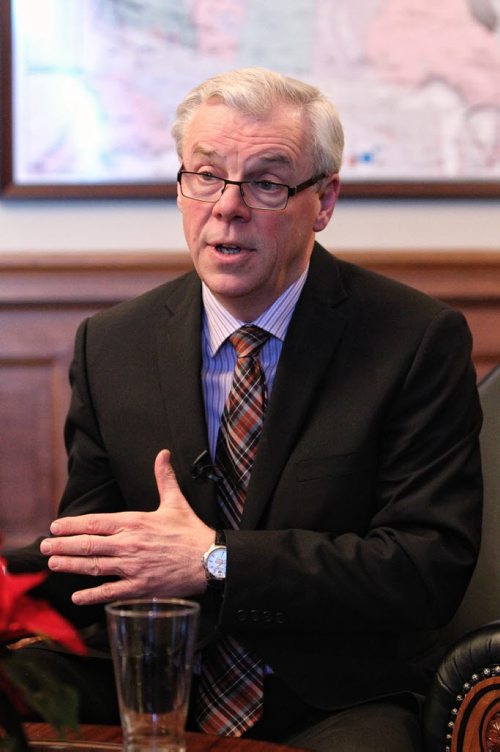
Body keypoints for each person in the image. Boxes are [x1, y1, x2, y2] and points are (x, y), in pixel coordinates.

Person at [6, 67, 482, 751]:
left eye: (265, 182)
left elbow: (422, 568)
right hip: (145, 670)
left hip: (330, 694)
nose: (227, 208)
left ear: (323, 201)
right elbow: (97, 549)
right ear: (180, 188)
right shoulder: (112, 343)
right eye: (205, 175)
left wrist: (216, 559)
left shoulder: (413, 341)